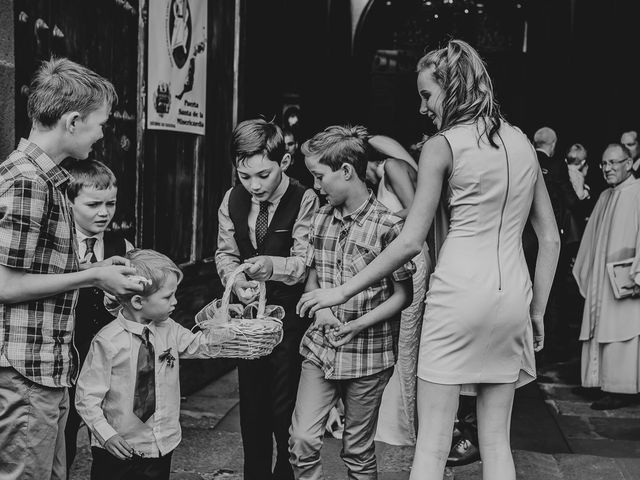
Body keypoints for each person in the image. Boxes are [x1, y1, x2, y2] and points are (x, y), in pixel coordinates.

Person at [296, 40, 560, 480]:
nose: (422, 108)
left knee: (433, 445)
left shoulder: (444, 144)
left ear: (452, 88)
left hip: (456, 295)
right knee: (496, 443)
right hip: (513, 294)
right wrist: (537, 311)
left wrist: (340, 290)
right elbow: (550, 238)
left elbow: (409, 242)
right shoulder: (521, 142)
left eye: (426, 94)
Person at [0, 57, 143, 480]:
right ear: (74, 120)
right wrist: (93, 275)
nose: (103, 133)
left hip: (46, 368)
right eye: (101, 123)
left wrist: (96, 265)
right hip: (26, 369)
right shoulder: (27, 180)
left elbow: (35, 265)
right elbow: (5, 284)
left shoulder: (50, 179)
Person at [288, 125, 414, 479]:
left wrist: (357, 324)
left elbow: (405, 294)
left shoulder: (388, 227)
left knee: (357, 450)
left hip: (369, 354)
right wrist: (323, 310)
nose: (315, 185)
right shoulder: (320, 218)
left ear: (346, 171)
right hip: (320, 348)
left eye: (319, 176)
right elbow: (313, 276)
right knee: (302, 439)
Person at [215, 118, 318, 480]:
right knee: (252, 407)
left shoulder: (304, 198)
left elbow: (304, 262)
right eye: (245, 176)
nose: (254, 185)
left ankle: (285, 474)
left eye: (263, 175)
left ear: (284, 163)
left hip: (289, 319)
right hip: (247, 320)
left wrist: (269, 267)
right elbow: (225, 253)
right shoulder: (232, 199)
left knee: (284, 405)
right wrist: (235, 278)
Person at [75, 249, 223, 480]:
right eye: (167, 297)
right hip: (117, 447)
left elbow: (200, 344)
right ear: (137, 301)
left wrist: (225, 323)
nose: (175, 302)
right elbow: (86, 397)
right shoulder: (107, 341)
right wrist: (106, 435)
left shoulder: (170, 329)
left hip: (161, 444)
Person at [63, 159, 135, 474]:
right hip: (68, 356)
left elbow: (136, 308)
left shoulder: (123, 246)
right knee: (63, 435)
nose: (104, 213)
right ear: (69, 202)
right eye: (93, 204)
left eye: (111, 204)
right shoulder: (61, 249)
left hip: (109, 363)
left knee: (109, 436)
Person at [364, 134, 430, 446]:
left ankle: (400, 424)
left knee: (404, 339)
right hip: (403, 257)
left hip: (410, 258)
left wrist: (379, 221)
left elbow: (418, 208)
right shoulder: (400, 167)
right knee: (399, 337)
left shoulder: (393, 166)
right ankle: (395, 418)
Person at [572, 143, 640, 410]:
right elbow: (592, 241)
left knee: (622, 331)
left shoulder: (637, 193)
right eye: (604, 164)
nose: (608, 168)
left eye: (614, 163)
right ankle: (598, 381)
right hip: (602, 279)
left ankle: (620, 388)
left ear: (629, 163)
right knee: (601, 327)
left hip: (626, 279)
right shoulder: (605, 196)